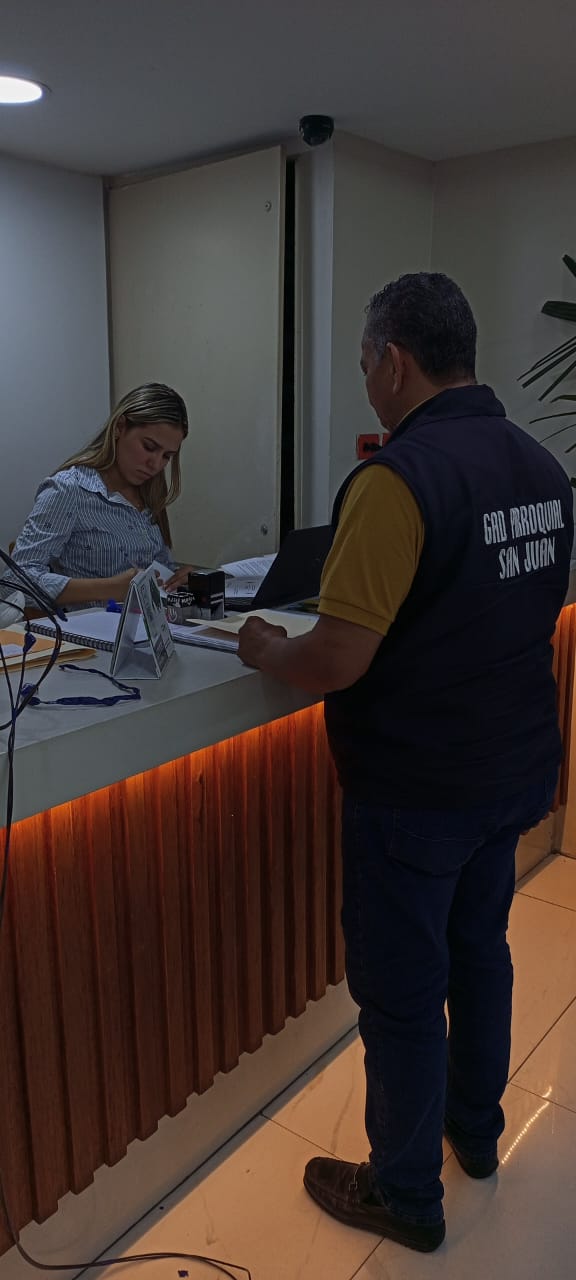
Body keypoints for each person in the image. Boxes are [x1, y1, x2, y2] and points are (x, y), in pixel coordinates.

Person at [238, 273, 573, 1253]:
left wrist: (266, 648)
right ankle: (476, 1133)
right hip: (511, 769)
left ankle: (405, 1194)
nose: (367, 382)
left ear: (393, 359)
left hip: (418, 788)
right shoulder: (541, 466)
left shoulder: (400, 479)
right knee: (481, 951)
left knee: (402, 989)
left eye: (363, 364)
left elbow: (338, 658)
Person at [12, 383, 192, 607]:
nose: (155, 464)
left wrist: (179, 580)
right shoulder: (69, 489)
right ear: (119, 427)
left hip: (152, 624)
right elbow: (15, 583)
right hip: (92, 626)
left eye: (166, 456)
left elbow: (157, 574)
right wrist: (110, 588)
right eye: (148, 447)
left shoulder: (149, 494)